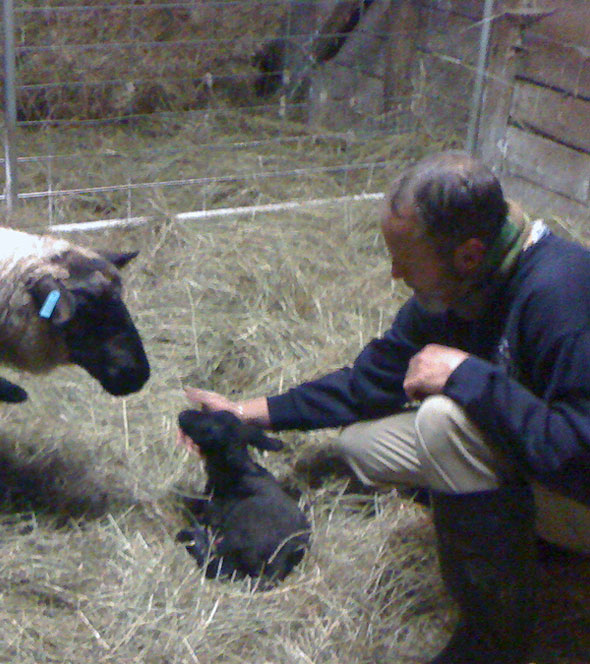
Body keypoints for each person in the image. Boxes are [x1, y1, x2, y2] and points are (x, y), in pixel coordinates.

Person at [180, 150, 590, 664]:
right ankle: (518, 533)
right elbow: (366, 384)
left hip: (579, 482)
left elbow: (578, 453)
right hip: (538, 451)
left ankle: (495, 635)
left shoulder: (563, 295)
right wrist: (240, 414)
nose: (395, 272)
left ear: (467, 253)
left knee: (441, 422)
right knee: (363, 446)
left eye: (405, 258)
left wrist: (468, 377)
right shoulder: (464, 287)